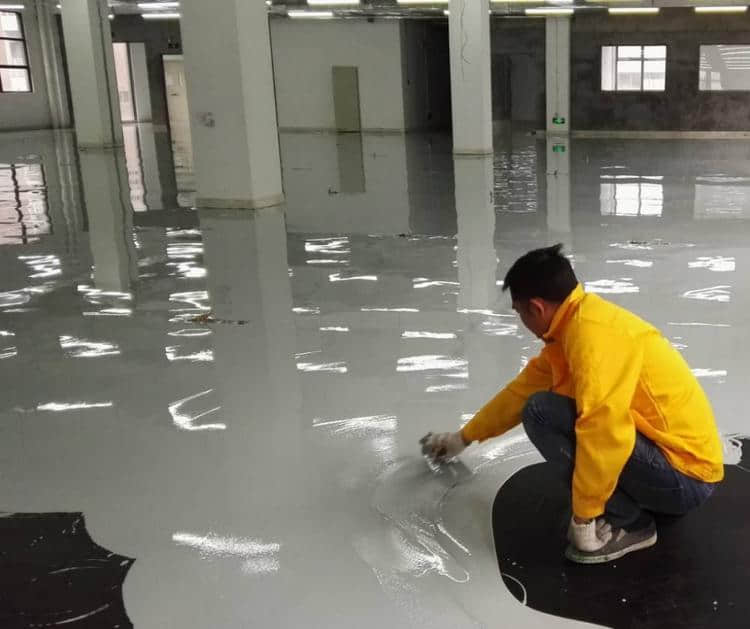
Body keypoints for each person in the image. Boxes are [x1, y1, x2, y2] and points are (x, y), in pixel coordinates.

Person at [420, 244, 723, 564]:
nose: (522, 321)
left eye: (520, 313)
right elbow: (519, 393)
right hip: (676, 465)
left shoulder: (593, 339)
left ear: (536, 308)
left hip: (685, 480)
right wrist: (463, 437)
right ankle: (626, 500)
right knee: (539, 405)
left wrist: (585, 517)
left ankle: (632, 524)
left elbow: (605, 432)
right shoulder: (578, 325)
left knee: (541, 412)